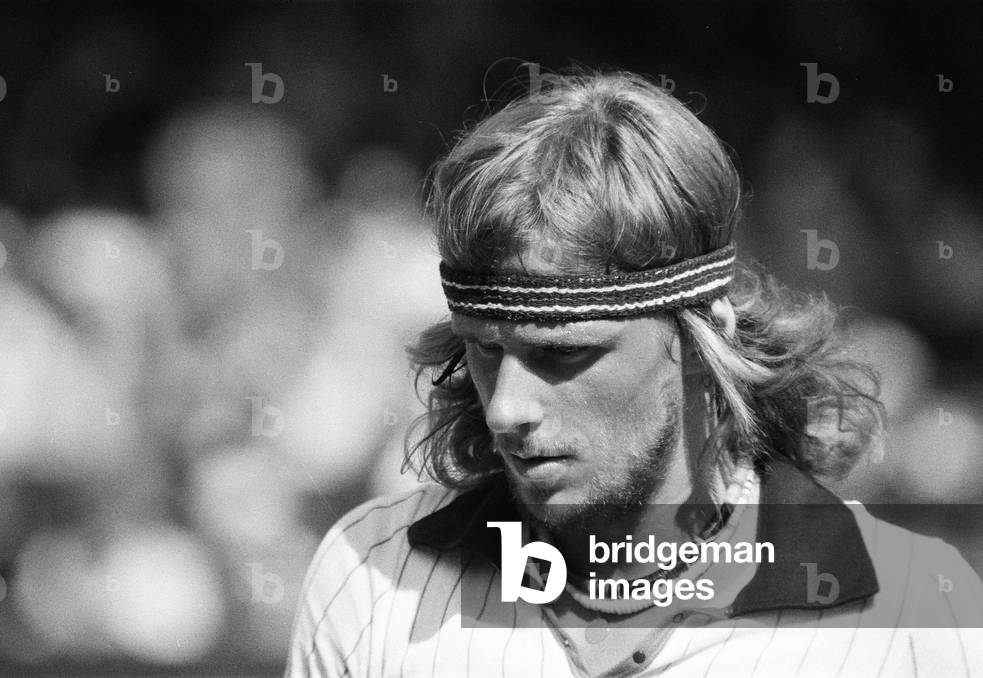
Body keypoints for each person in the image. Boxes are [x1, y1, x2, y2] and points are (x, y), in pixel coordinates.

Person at [286, 69, 983, 677]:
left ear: (699, 339)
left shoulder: (913, 612)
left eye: (564, 353)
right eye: (485, 350)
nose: (505, 409)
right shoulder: (367, 576)